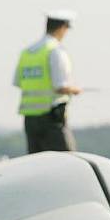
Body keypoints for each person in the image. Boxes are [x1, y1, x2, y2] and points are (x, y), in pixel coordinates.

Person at [14, 10, 82, 154]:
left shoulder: (27, 53)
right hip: (51, 117)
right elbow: (60, 86)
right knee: (68, 162)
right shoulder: (55, 51)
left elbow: (18, 82)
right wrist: (75, 90)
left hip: (30, 120)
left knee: (38, 166)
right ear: (62, 27)